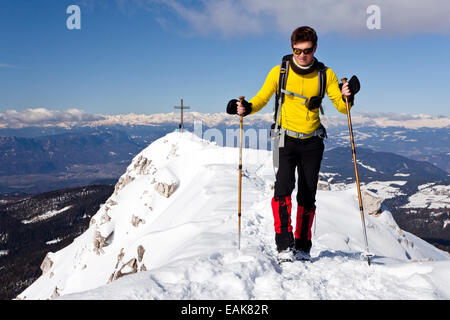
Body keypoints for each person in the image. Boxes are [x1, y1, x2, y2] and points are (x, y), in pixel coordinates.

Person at [226, 26, 360, 263]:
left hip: (313, 142)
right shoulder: (280, 72)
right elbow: (261, 98)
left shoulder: (324, 74)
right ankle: (284, 245)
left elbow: (342, 107)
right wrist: (245, 108)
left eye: (307, 51)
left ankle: (303, 247)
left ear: (315, 48)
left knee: (308, 195)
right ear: (292, 49)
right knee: (282, 190)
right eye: (297, 51)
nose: (302, 55)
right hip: (283, 140)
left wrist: (349, 95)